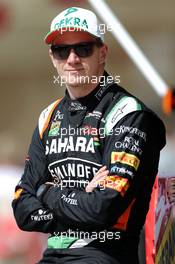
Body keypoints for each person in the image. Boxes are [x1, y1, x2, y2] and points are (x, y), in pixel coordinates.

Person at [12, 6, 166, 264]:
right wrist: (82, 194)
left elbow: (102, 208)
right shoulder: (48, 117)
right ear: (52, 57)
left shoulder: (129, 114)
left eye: (83, 49)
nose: (72, 59)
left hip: (105, 254)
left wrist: (47, 192)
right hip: (52, 255)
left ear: (102, 53)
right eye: (62, 51)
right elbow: (22, 210)